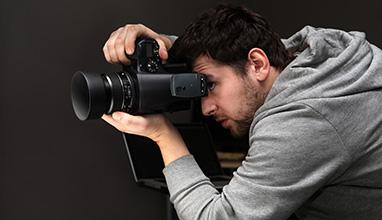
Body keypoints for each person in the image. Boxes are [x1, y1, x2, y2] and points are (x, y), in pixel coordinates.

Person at [101, 4, 382, 220]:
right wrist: (162, 44)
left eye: (209, 85)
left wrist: (164, 135)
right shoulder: (318, 57)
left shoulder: (305, 120)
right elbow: (230, 53)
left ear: (257, 64)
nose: (205, 107)